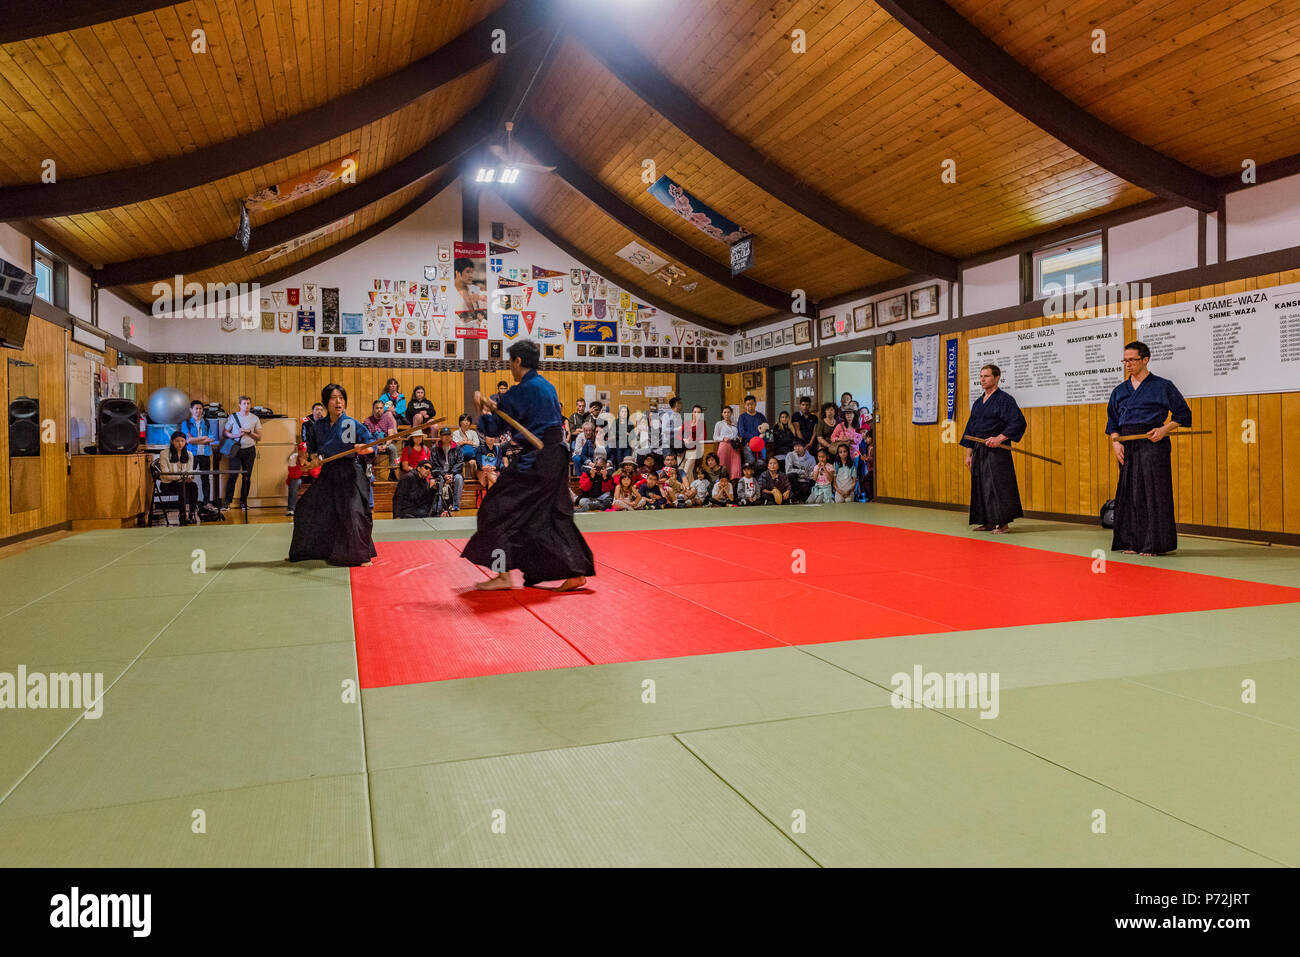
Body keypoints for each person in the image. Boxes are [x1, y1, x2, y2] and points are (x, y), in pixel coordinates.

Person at [462, 339, 594, 590]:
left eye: (510, 362)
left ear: (518, 361)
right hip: (557, 454)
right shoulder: (546, 386)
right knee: (554, 514)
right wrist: (497, 405)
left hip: (538, 457)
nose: (509, 367)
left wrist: (481, 409)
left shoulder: (521, 390)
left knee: (495, 508)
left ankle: (502, 574)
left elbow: (495, 427)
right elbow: (517, 414)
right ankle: (575, 571)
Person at [1107, 341, 1192, 556]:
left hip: (1153, 443)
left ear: (1145, 360)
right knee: (1131, 493)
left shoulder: (1163, 386)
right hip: (1128, 445)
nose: (1128, 364)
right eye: (1125, 360)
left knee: (1154, 492)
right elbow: (1113, 422)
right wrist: (1116, 442)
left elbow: (1183, 415)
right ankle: (1133, 542)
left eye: (1132, 360)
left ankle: (1155, 544)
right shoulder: (1119, 391)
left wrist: (1164, 429)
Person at [289, 383, 378, 566]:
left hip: (349, 474)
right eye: (333, 398)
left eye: (341, 398)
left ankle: (360, 555)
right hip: (328, 473)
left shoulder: (351, 424)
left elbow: (371, 444)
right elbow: (312, 449)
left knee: (353, 512)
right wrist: (313, 458)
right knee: (305, 508)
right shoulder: (318, 426)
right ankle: (311, 550)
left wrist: (365, 449)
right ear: (326, 402)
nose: (338, 402)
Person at [961, 363, 1028, 533]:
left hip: (997, 450)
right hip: (979, 449)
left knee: (997, 486)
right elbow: (970, 429)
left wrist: (999, 438)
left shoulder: (1005, 399)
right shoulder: (977, 403)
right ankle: (987, 521)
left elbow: (1018, 422)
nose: (982, 379)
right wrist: (969, 454)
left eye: (987, 376)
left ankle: (1003, 524)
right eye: (981, 376)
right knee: (980, 486)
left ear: (996, 378)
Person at [221, 395, 262, 512]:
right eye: (244, 403)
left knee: (247, 477)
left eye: (248, 403)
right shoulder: (233, 417)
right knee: (233, 476)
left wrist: (249, 432)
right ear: (239, 405)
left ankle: (244, 502)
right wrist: (235, 435)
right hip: (236, 450)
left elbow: (259, 437)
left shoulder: (255, 418)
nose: (246, 405)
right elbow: (225, 432)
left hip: (249, 449)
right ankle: (227, 502)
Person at [180, 400, 218, 506]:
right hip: (192, 454)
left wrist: (198, 439)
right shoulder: (186, 423)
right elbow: (188, 440)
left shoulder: (206, 422)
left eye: (200, 409)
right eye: (196, 408)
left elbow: (211, 438)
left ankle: (206, 502)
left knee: (205, 479)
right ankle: (187, 502)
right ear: (191, 410)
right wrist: (202, 438)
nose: (198, 411)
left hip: (205, 454)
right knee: (188, 478)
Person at [157, 431, 199, 525]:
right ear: (172, 441)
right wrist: (182, 477)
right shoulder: (164, 453)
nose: (180, 444)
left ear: (185, 442)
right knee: (182, 486)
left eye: (182, 441)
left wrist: (189, 477)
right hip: (167, 484)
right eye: (177, 441)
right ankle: (182, 514)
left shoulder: (189, 454)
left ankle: (192, 513)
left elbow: (189, 471)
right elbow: (165, 474)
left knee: (193, 486)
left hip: (182, 483)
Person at [427, 427, 464, 514]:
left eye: (448, 435)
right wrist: (444, 475)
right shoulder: (435, 449)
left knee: (459, 478)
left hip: (454, 473)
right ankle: (440, 505)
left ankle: (455, 505)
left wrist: (452, 474)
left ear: (451, 436)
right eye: (444, 435)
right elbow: (434, 464)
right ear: (440, 437)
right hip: (440, 473)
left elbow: (460, 462)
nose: (447, 437)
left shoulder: (457, 448)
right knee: (440, 480)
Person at [363, 399, 399, 480]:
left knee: (393, 448)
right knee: (368, 450)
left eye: (381, 408)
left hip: (385, 444)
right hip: (372, 444)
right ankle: (369, 472)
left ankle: (392, 473)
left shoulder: (388, 419)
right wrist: (376, 447)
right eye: (377, 408)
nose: (379, 410)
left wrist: (386, 445)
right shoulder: (367, 421)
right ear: (373, 409)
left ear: (383, 409)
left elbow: (391, 435)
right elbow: (367, 438)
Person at [286, 440, 320, 517]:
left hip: (310, 477)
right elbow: (293, 475)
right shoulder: (293, 457)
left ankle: (317, 507)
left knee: (317, 482)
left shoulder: (314, 457)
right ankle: (291, 508)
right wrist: (300, 466)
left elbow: (316, 474)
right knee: (294, 482)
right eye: (300, 451)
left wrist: (308, 465)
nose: (302, 453)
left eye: (304, 451)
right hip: (298, 477)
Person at [737, 394, 767, 467]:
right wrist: (755, 437)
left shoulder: (761, 416)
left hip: (760, 445)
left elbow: (766, 429)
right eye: (748, 404)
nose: (750, 406)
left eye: (752, 404)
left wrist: (763, 439)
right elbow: (742, 433)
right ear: (745, 405)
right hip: (748, 445)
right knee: (750, 464)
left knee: (762, 464)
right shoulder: (742, 417)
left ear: (755, 404)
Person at [714, 405, 741, 478]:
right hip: (724, 447)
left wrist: (738, 439)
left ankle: (734, 485)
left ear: (731, 413)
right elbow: (715, 437)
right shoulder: (719, 424)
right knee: (724, 467)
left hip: (735, 447)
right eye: (725, 412)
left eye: (728, 412)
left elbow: (738, 434)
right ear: (722, 414)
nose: (726, 414)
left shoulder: (735, 423)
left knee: (736, 468)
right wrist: (723, 438)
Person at [681, 404, 706, 479]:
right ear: (692, 413)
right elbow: (678, 435)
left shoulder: (702, 422)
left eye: (699, 412)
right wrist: (684, 439)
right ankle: (690, 488)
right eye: (695, 412)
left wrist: (693, 441)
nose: (696, 414)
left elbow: (703, 437)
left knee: (686, 471)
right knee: (686, 471)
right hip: (684, 449)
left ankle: (686, 488)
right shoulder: (687, 422)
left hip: (694, 450)